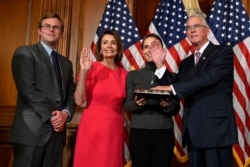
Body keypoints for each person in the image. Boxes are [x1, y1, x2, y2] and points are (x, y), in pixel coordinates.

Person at [152, 13, 238, 167]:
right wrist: (159, 65)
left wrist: (172, 87)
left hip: (215, 131)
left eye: (197, 26)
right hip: (193, 132)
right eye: (189, 27)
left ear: (207, 30)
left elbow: (208, 78)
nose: (192, 30)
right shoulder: (186, 63)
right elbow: (177, 85)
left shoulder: (222, 52)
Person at [9, 13, 76, 167]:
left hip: (57, 134)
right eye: (47, 26)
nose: (51, 29)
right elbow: (28, 90)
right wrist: (53, 116)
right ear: (39, 31)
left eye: (56, 27)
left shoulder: (66, 63)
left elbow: (70, 94)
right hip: (31, 132)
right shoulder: (25, 53)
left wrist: (65, 114)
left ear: (62, 33)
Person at [124, 33, 180, 167]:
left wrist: (167, 105)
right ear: (142, 51)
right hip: (139, 132)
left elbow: (176, 107)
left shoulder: (172, 76)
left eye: (154, 46)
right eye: (146, 47)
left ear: (162, 49)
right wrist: (137, 104)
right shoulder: (132, 75)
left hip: (163, 132)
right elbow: (127, 105)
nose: (150, 50)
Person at [73, 30, 128, 167]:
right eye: (105, 42)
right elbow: (79, 100)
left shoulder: (125, 75)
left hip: (113, 129)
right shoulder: (91, 68)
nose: (109, 46)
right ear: (99, 48)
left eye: (113, 43)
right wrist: (84, 72)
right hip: (91, 127)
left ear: (118, 47)